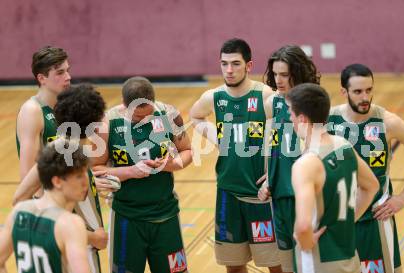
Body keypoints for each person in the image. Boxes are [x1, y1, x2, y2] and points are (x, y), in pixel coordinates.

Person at [327, 64, 404, 273]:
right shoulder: (328, 120)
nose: (365, 97)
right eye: (358, 91)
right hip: (339, 219)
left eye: (369, 90)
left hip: (374, 220)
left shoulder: (388, 122)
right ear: (344, 92)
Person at [190, 38, 281, 273]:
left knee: (276, 265)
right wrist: (217, 138)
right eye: (224, 64)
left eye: (235, 64)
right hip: (228, 193)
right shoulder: (214, 97)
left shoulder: (266, 96)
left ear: (249, 66)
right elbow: (196, 116)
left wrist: (273, 175)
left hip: (261, 196)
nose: (229, 70)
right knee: (234, 266)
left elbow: (281, 143)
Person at [93, 76, 193, 273]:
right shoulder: (106, 124)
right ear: (124, 106)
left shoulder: (169, 114)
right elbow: (95, 169)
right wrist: (131, 171)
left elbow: (188, 151)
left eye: (149, 114)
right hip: (127, 217)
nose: (144, 120)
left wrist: (168, 165)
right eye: (138, 118)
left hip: (166, 214)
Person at [13, 84, 109, 273]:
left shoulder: (60, 149)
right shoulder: (65, 154)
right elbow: (21, 200)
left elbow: (19, 198)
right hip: (77, 250)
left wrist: (93, 183)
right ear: (94, 122)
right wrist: (91, 237)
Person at [285, 83, 379, 273]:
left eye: (290, 113)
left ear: (302, 118)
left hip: (320, 261)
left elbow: (303, 227)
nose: (289, 117)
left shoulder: (305, 165)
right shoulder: (343, 145)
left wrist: (305, 241)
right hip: (349, 257)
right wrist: (345, 221)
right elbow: (372, 186)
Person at [258, 45, 320, 273]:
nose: (279, 79)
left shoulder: (314, 105)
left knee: (310, 263)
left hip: (305, 197)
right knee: (286, 266)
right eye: (275, 74)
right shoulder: (272, 104)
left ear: (298, 72)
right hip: (280, 196)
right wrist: (268, 179)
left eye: (285, 74)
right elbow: (273, 146)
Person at [0, 139, 91, 273]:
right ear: (57, 181)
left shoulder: (18, 212)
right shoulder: (70, 224)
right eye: (79, 176)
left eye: (85, 173)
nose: (85, 181)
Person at [16, 46, 71, 198]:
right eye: (60, 72)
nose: (68, 77)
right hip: (48, 204)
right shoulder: (32, 111)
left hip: (67, 196)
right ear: (42, 78)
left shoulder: (64, 107)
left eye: (67, 70)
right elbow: (27, 174)